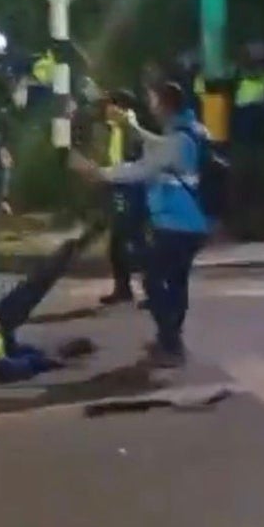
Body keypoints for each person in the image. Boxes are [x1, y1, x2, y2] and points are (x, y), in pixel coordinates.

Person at [71, 82, 211, 367]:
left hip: (179, 222)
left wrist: (99, 173)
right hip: (189, 222)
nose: (152, 107)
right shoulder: (188, 132)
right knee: (175, 281)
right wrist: (133, 128)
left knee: (153, 279)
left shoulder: (179, 140)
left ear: (166, 104)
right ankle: (169, 339)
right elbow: (157, 149)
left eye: (155, 101)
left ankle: (171, 345)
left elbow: (143, 168)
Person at [0, 238, 94, 385]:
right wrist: (47, 361)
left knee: (24, 298)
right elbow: (17, 364)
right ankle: (59, 261)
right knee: (25, 300)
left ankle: (59, 261)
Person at [99, 90, 146, 305]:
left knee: (135, 242)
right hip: (119, 188)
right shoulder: (116, 129)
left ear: (120, 107)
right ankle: (123, 288)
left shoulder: (131, 128)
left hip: (132, 189)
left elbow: (136, 160)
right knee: (119, 242)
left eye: (110, 105)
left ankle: (153, 291)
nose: (106, 109)